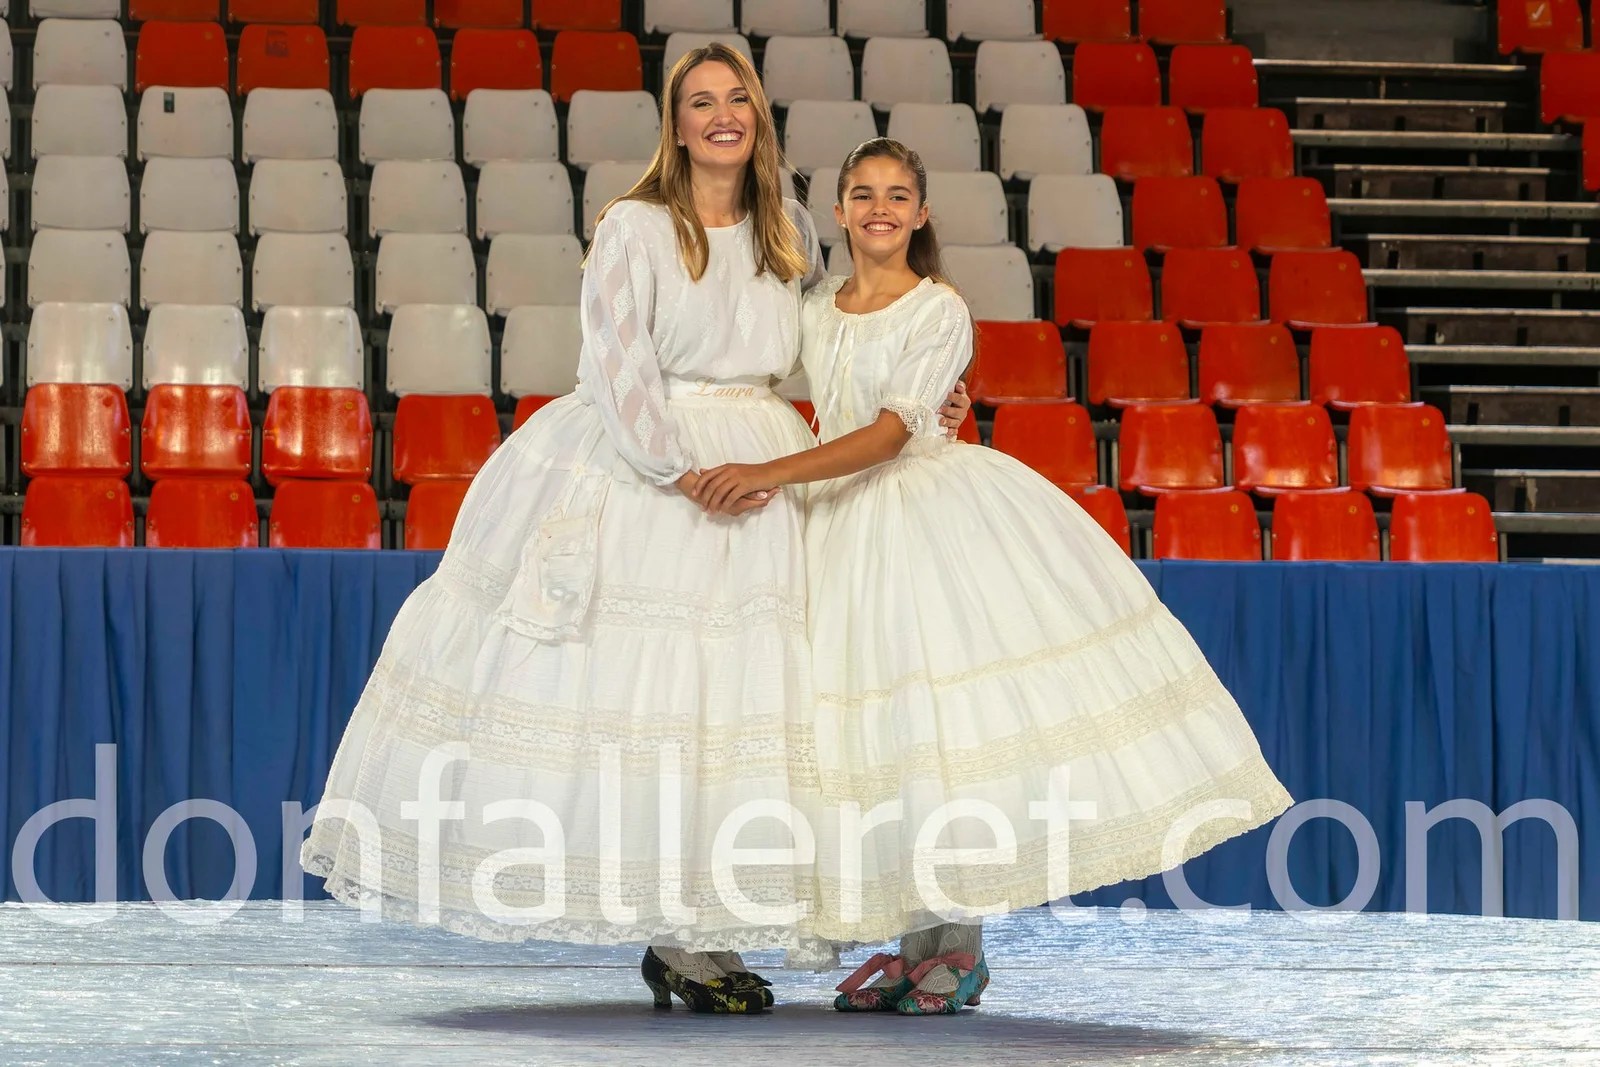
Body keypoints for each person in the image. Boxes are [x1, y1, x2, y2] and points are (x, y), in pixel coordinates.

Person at [301, 50, 968, 1016]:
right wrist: (679, 470)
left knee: (733, 711)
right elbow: (617, 363)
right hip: (657, 476)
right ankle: (678, 940)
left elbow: (835, 340)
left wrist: (925, 387)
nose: (722, 115)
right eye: (701, 102)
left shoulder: (786, 232)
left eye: (738, 97)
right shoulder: (636, 225)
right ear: (676, 122)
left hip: (760, 474)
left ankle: (706, 927)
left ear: (760, 119)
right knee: (650, 700)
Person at [693, 138, 1295, 1016]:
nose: (880, 209)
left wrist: (772, 473)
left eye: (898, 194)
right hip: (833, 524)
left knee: (937, 722)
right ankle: (914, 945)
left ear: (922, 212)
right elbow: (756, 369)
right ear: (839, 212)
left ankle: (955, 950)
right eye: (863, 194)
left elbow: (895, 430)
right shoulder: (814, 304)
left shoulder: (940, 309)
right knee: (873, 738)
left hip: (917, 517)